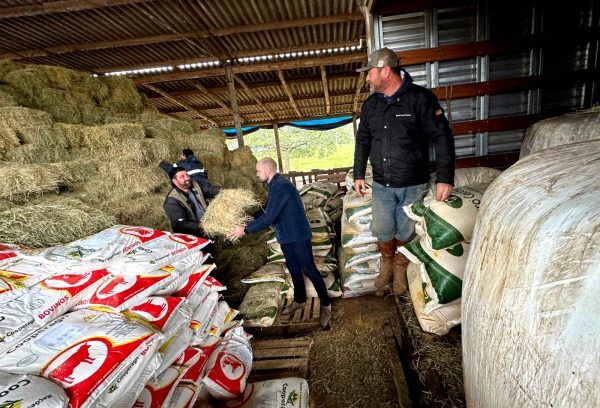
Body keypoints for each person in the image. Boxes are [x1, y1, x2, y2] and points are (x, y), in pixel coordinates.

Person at [354, 47, 455, 295]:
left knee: (406, 230)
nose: (367, 77)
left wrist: (445, 177)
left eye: (370, 72)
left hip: (413, 184)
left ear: (386, 71)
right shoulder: (370, 106)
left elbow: (442, 137)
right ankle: (386, 264)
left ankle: (400, 266)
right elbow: (363, 140)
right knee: (383, 228)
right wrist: (358, 173)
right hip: (381, 185)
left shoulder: (420, 99)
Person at [229, 157, 332, 330]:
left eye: (258, 171)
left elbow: (270, 217)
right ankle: (299, 300)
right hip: (286, 235)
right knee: (293, 269)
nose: (256, 174)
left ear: (268, 170)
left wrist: (245, 230)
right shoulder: (274, 185)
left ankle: (326, 305)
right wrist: (253, 217)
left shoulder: (281, 186)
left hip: (298, 235)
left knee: (309, 269)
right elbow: (267, 209)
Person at [163, 167, 212, 237]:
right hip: (192, 235)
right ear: (174, 181)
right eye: (182, 177)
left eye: (187, 175)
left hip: (206, 226)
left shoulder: (196, 185)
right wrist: (204, 226)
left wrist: (226, 192)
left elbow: (210, 189)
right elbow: (182, 224)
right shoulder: (172, 201)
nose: (187, 178)